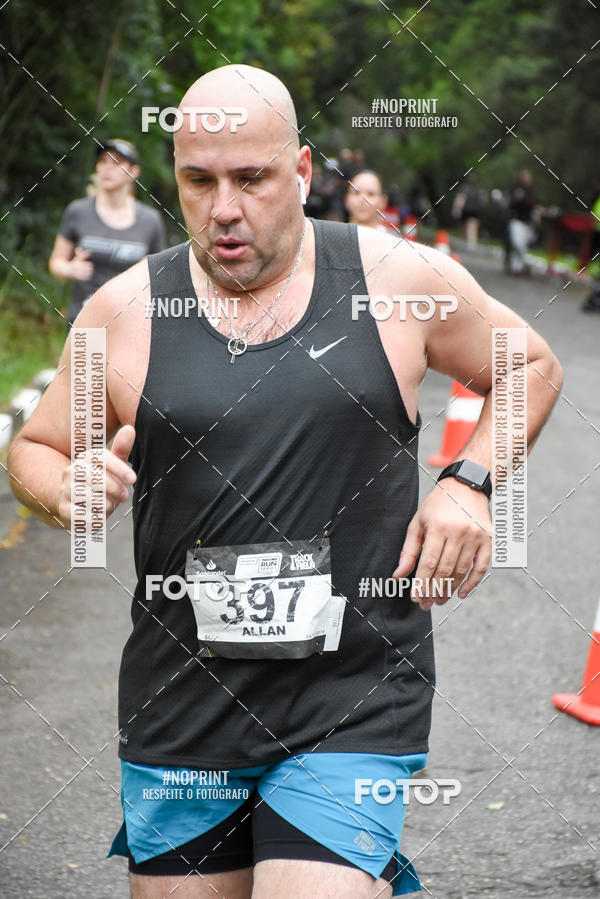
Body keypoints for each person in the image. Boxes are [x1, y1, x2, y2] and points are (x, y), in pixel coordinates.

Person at [8, 65, 562, 899]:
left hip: (352, 696)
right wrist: (61, 488)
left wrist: (467, 482)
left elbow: (529, 363)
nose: (224, 208)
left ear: (301, 172)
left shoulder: (395, 281)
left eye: (252, 179)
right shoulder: (123, 311)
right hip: (183, 698)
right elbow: (38, 446)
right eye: (199, 181)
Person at [49, 138, 167, 328]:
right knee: (88, 359)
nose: (106, 168)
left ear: (133, 171)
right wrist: (70, 269)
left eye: (116, 162)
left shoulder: (150, 220)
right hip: (87, 319)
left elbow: (161, 274)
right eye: (102, 162)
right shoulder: (78, 211)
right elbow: (56, 263)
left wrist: (147, 273)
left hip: (132, 323)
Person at [504, 169, 538, 275]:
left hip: (528, 222)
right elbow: (510, 204)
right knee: (516, 243)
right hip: (516, 220)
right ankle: (520, 265)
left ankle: (518, 268)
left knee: (522, 245)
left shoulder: (531, 193)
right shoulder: (516, 190)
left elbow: (535, 206)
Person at [452, 176, 482, 247]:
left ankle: (466, 242)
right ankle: (471, 243)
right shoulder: (478, 190)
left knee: (464, 227)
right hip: (475, 211)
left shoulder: (464, 189)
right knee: (472, 227)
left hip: (466, 210)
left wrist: (457, 209)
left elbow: (461, 199)